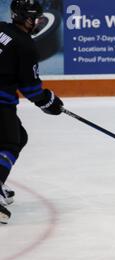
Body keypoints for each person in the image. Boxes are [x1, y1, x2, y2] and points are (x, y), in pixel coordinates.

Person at [0, 0, 64, 224]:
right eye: (34, 18)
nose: (37, 22)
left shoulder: (1, 28)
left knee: (20, 136)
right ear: (26, 19)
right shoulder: (25, 45)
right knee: (10, 143)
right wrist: (49, 101)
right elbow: (30, 89)